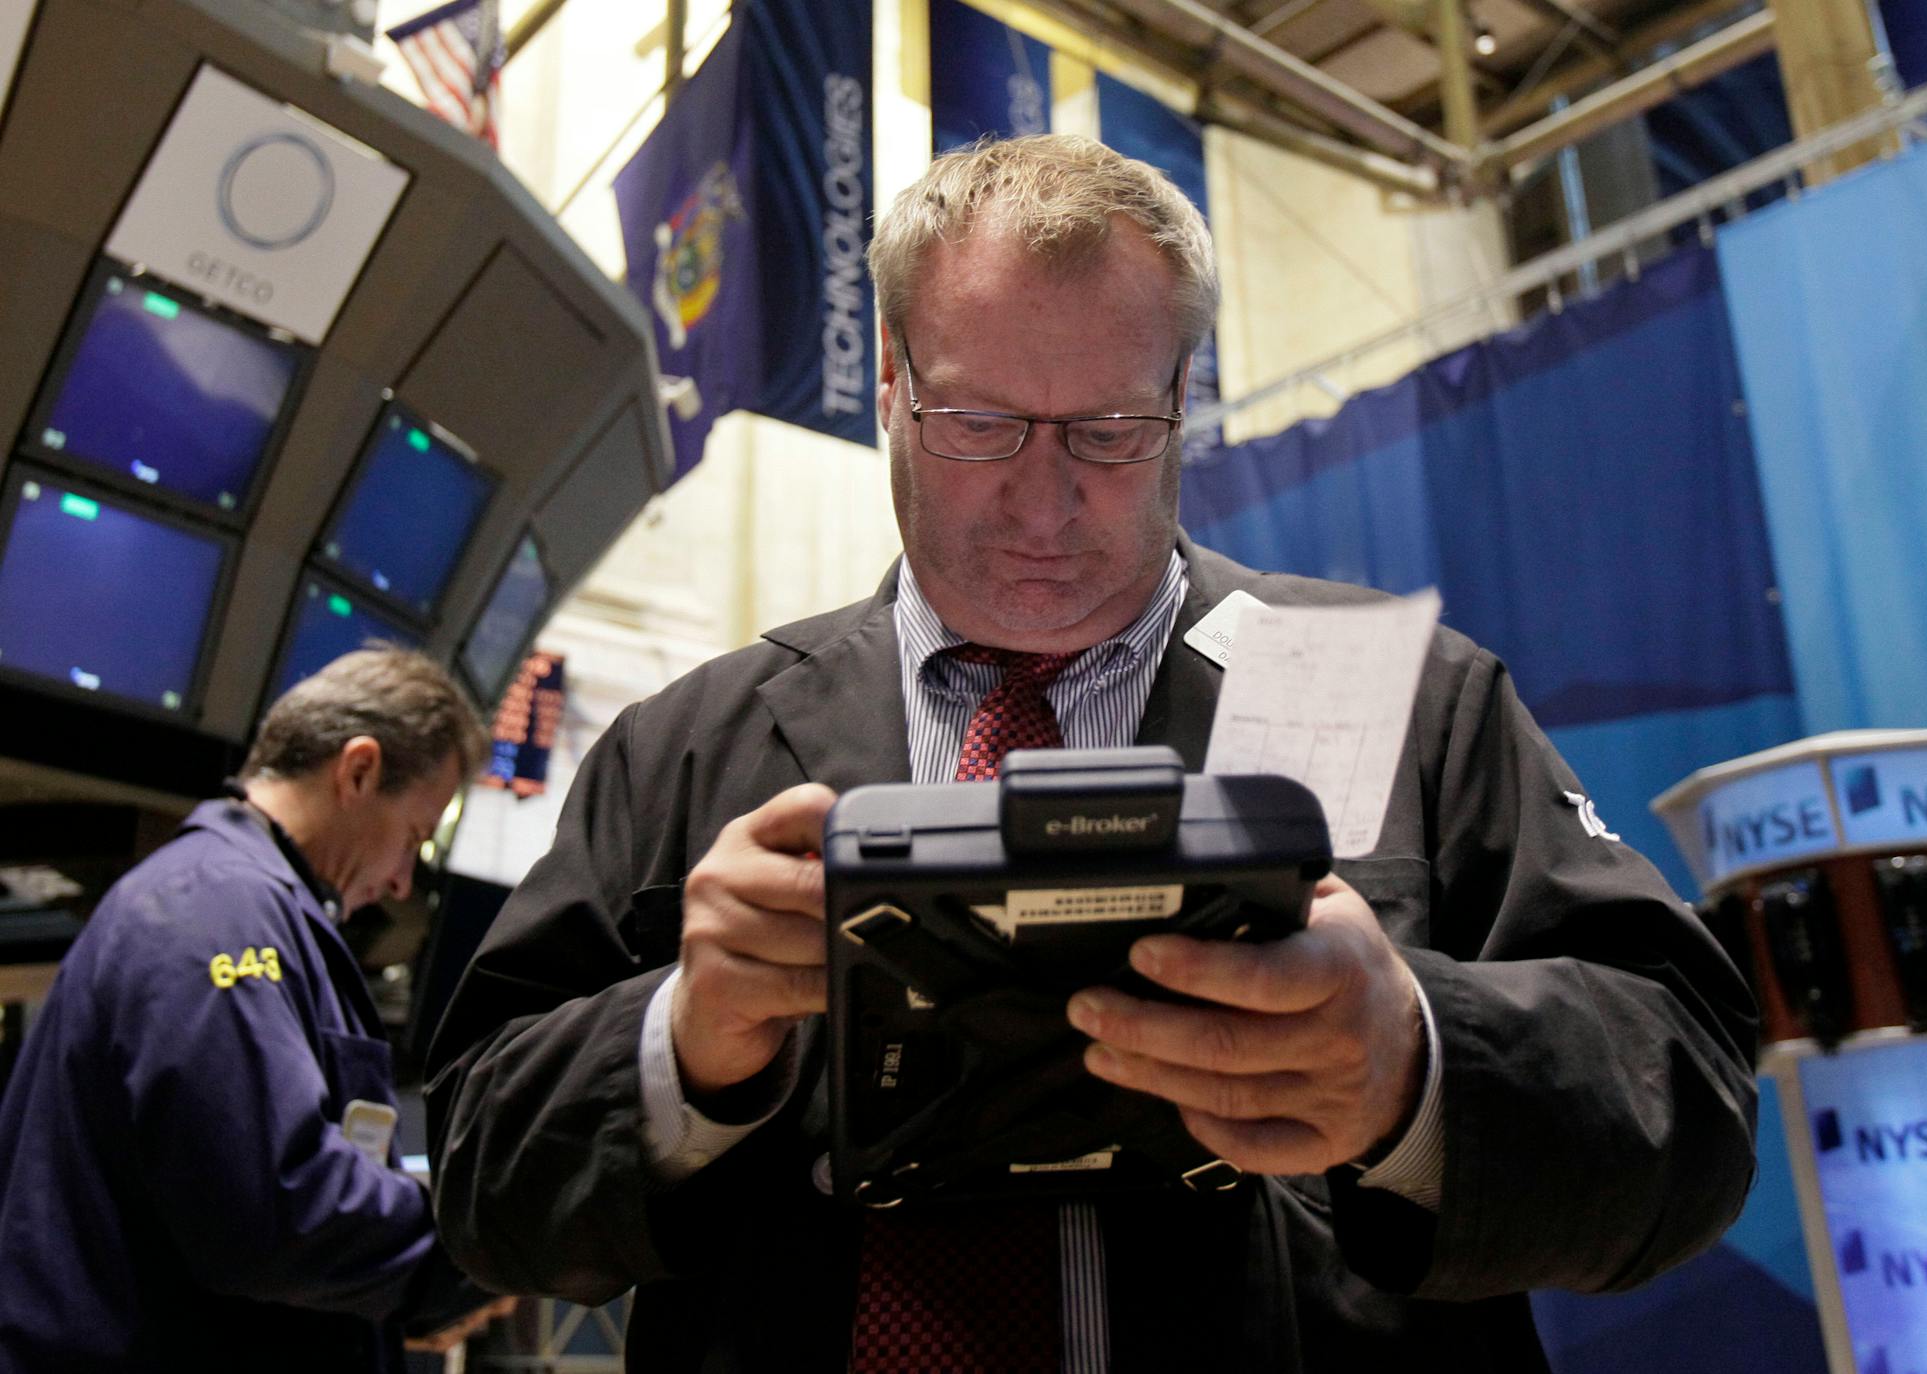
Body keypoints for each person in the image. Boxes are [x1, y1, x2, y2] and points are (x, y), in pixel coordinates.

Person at [425, 135, 1758, 1372]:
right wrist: (681, 1038)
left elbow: (1690, 1106)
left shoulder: (1399, 691)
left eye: (1111, 433)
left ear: (1183, 394)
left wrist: (1415, 1058)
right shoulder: (690, 749)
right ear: (889, 382)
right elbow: (483, 1174)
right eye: (979, 425)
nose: (1045, 499)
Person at [0, 648, 514, 1371]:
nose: (403, 881)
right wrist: (467, 1257)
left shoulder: (252, 908)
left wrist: (387, 1300)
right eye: (413, 839)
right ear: (359, 770)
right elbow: (276, 1204)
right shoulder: (217, 907)